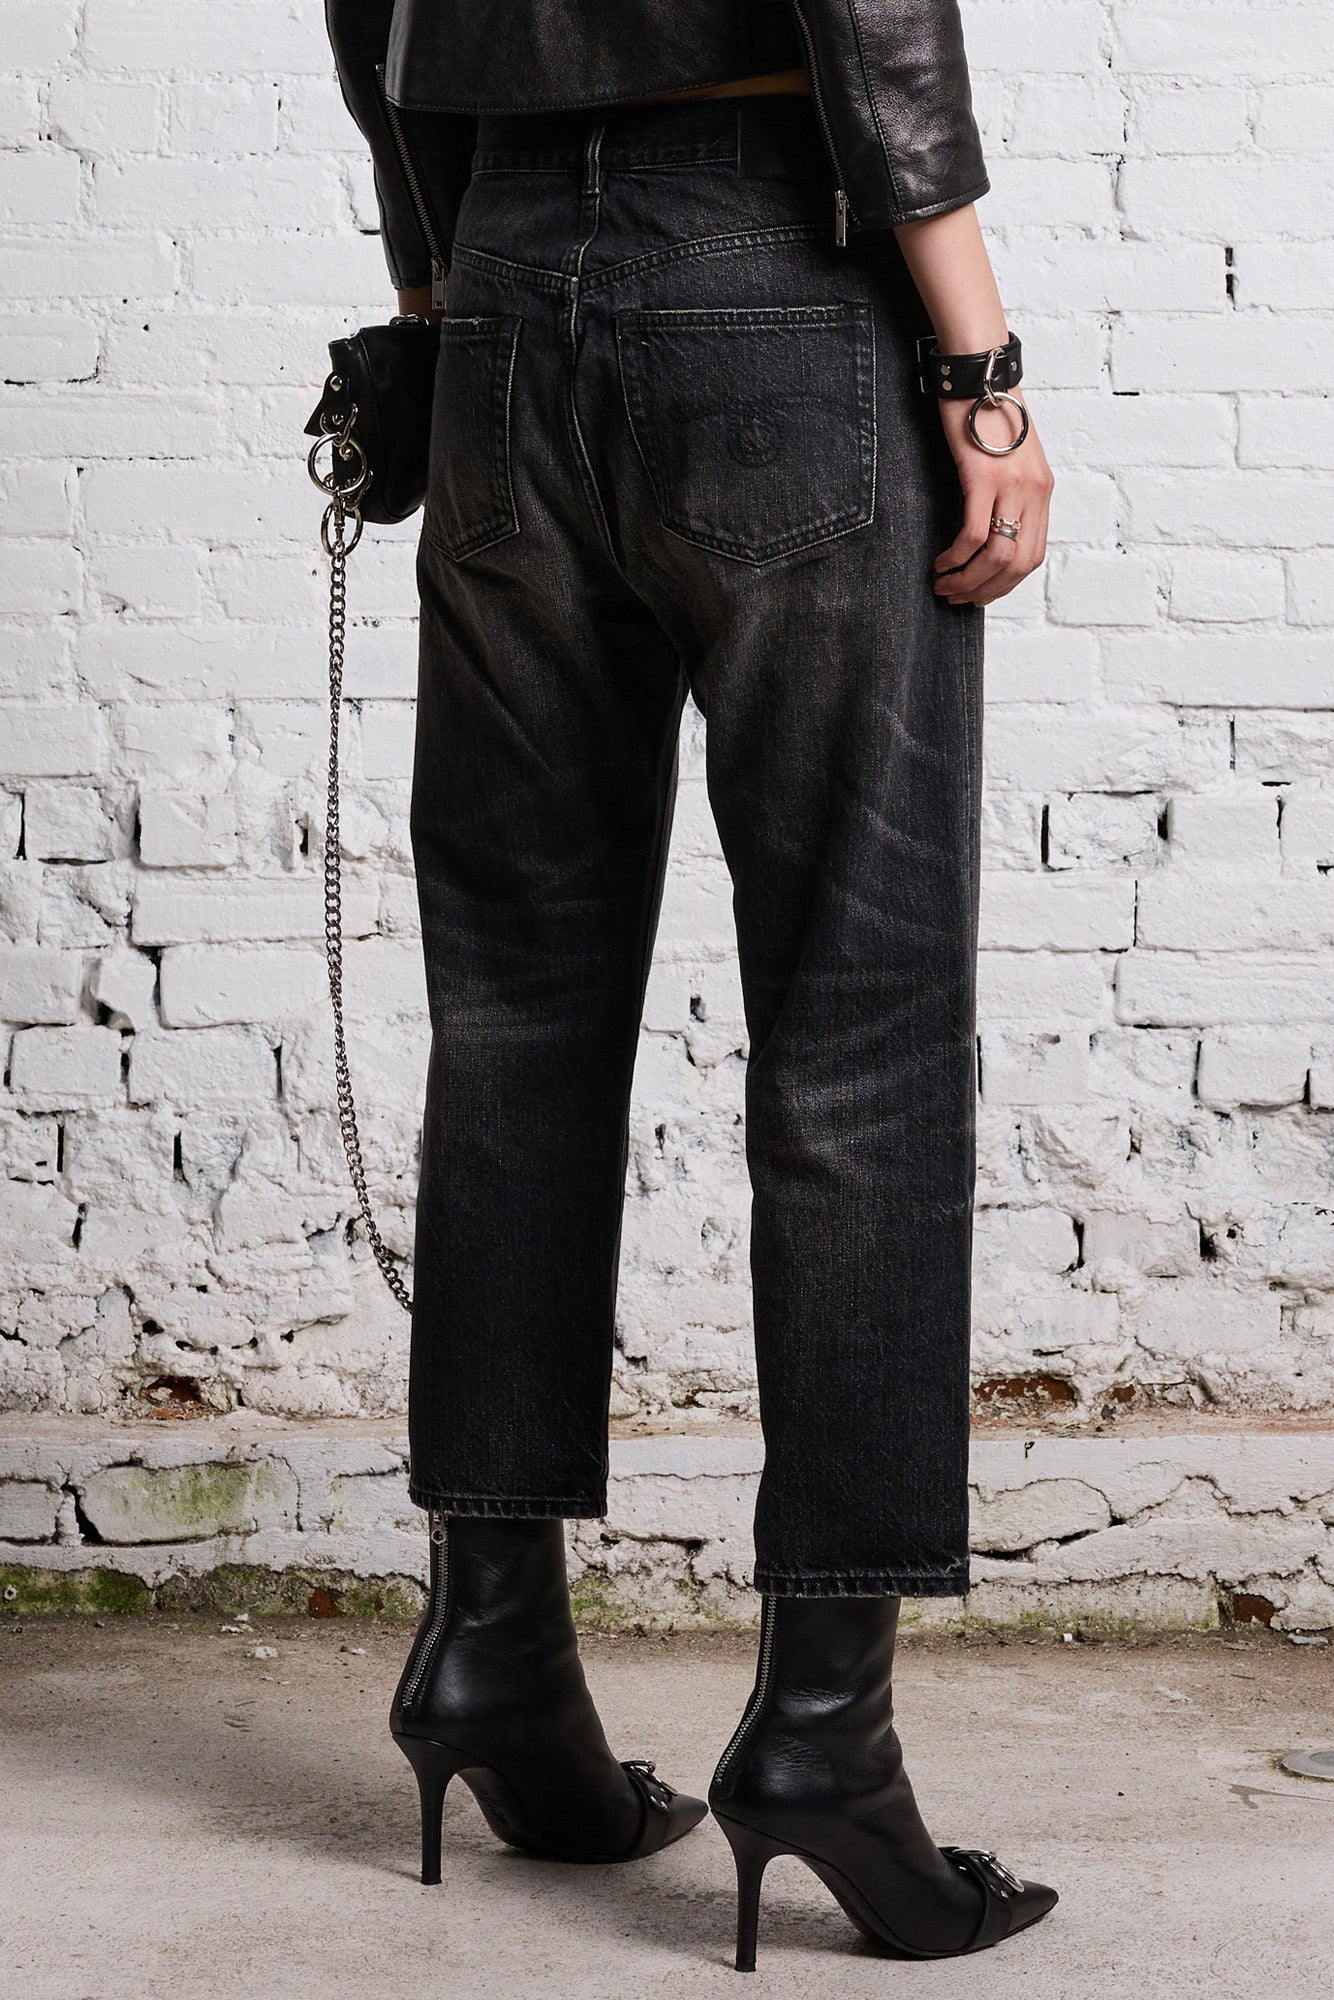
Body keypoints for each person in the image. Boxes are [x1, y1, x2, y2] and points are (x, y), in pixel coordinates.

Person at [324, 0, 1057, 1967]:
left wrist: (436, 286)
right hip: (778, 270)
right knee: (859, 1034)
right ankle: (823, 1732)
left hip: (494, 294)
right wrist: (977, 365)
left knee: (514, 1016)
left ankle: (493, 1650)